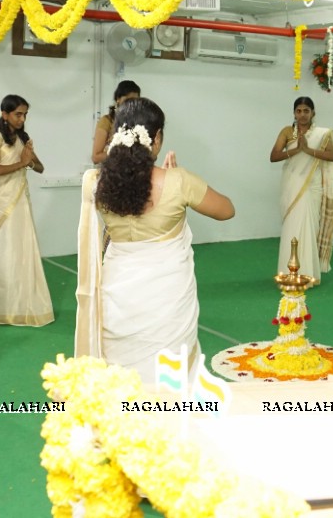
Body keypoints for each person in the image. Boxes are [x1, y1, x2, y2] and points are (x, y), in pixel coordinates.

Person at [74, 97, 234, 383]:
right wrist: (177, 180)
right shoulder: (178, 181)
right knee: (167, 376)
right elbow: (226, 210)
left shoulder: (96, 183)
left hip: (117, 292)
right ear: (156, 138)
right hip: (166, 298)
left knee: (121, 372)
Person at [0, 94, 54, 327]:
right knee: (4, 250)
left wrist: (29, 159)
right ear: (5, 114)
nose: (22, 119)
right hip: (2, 201)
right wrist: (23, 162)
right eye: (18, 114)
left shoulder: (23, 138)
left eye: (25, 114)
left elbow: (40, 167)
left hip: (21, 200)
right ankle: (0, 308)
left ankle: (24, 305)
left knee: (22, 249)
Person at [269, 97, 333, 284]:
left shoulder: (322, 134)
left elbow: (332, 156)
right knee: (291, 225)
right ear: (294, 113)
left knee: (308, 226)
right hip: (292, 182)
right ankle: (287, 272)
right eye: (298, 111)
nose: (302, 115)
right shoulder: (286, 132)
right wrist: (296, 150)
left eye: (306, 111)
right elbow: (274, 156)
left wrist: (308, 150)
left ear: (313, 113)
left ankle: (308, 273)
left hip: (311, 185)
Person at [91, 80, 141, 165]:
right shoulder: (107, 121)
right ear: (118, 99)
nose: (131, 105)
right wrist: (123, 154)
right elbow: (96, 157)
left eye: (135, 101)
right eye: (127, 100)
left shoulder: (140, 122)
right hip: (111, 173)